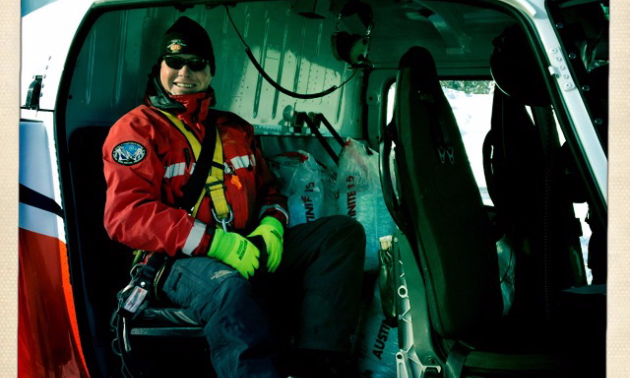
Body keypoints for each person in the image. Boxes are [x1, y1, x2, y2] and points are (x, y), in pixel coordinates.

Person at [102, 16, 366, 378]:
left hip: (246, 243)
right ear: (159, 67)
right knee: (229, 288)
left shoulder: (235, 129)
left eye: (196, 64)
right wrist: (217, 244)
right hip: (176, 260)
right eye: (174, 62)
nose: (184, 72)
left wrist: (271, 226)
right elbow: (128, 216)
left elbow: (270, 191)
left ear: (210, 71)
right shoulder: (137, 129)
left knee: (340, 233)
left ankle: (316, 364)